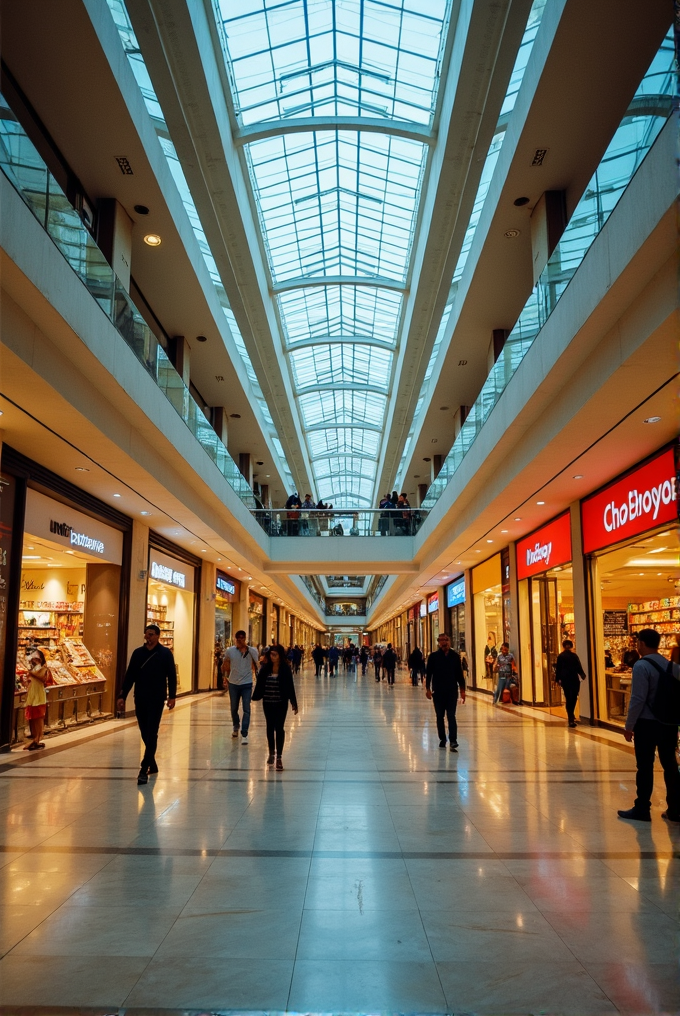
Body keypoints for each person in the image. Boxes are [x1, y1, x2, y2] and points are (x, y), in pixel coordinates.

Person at [617, 629, 680, 823]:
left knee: (644, 766)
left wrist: (629, 725)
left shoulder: (641, 666)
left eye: (638, 642)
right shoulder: (672, 666)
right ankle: (676, 809)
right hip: (669, 723)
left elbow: (637, 698)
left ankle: (642, 808)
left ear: (642, 643)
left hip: (647, 723)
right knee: (670, 765)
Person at [118, 624, 176, 784]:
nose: (147, 637)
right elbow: (130, 675)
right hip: (141, 697)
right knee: (144, 731)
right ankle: (153, 763)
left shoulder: (165, 654)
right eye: (146, 634)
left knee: (152, 732)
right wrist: (122, 695)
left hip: (157, 698)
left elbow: (171, 676)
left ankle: (143, 769)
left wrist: (172, 696)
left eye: (151, 634)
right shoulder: (138, 654)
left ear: (158, 636)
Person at [252, 644, 298, 771]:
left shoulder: (285, 669)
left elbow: (290, 685)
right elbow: (260, 683)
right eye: (271, 654)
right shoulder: (265, 668)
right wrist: (255, 696)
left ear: (280, 656)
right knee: (269, 727)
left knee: (279, 728)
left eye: (274, 655)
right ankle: (271, 752)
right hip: (268, 702)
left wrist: (293, 702)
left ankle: (279, 757)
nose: (272, 657)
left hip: (281, 702)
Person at [426, 632, 466, 752]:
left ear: (450, 641)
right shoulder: (433, 657)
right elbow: (429, 674)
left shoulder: (455, 656)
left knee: (451, 716)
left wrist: (462, 690)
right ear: (438, 642)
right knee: (439, 716)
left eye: (446, 640)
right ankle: (442, 738)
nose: (444, 642)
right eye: (442, 640)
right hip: (438, 691)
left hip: (451, 691)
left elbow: (459, 674)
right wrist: (427, 689)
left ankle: (453, 740)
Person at [222, 630, 258, 745]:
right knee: (234, 708)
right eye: (238, 638)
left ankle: (244, 733)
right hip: (233, 683)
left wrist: (248, 650)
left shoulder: (252, 651)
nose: (240, 640)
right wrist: (225, 678)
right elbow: (225, 666)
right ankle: (236, 726)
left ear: (245, 638)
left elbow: (257, 662)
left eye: (242, 638)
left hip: (247, 684)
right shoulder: (230, 651)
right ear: (235, 639)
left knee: (247, 709)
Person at [554, 640, 586, 726]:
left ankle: (570, 716)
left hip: (565, 679)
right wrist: (582, 675)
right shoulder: (574, 656)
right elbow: (578, 666)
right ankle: (571, 715)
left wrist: (558, 679)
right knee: (574, 697)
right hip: (574, 679)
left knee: (568, 697)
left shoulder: (561, 656)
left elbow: (558, 669)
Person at [23, 649, 49, 750]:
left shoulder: (43, 668)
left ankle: (38, 738)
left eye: (36, 658)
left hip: (39, 695)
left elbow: (42, 679)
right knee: (33, 718)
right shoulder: (33, 669)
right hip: (32, 694)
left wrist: (31, 674)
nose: (34, 660)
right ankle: (35, 738)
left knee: (38, 718)